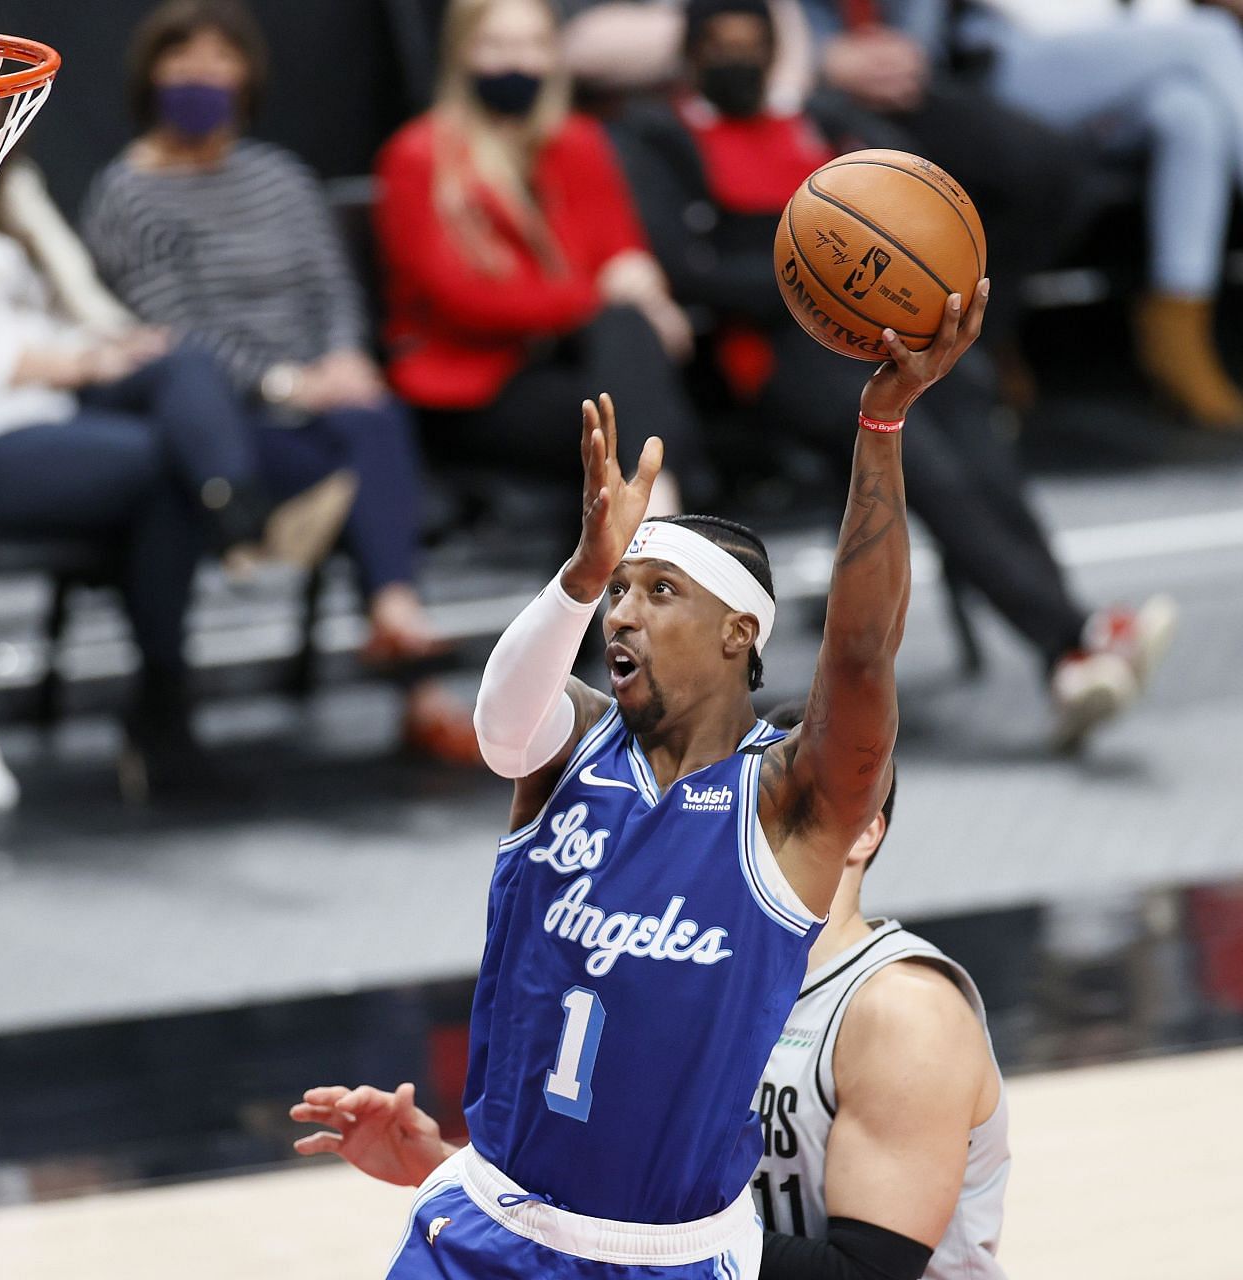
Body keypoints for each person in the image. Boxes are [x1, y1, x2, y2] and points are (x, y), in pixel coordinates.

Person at [293, 262, 989, 1279]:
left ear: (736, 632)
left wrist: (879, 432)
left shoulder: (787, 803)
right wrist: (578, 572)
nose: (620, 613)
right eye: (617, 590)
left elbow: (860, 654)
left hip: (665, 1257)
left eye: (657, 590)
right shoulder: (572, 742)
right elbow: (499, 724)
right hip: (483, 1226)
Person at [613, 0, 1176, 750]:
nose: (736, 59)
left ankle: (1071, 650)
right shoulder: (662, 136)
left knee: (978, 431)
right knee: (925, 461)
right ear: (690, 54)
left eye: (753, 44)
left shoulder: (822, 119)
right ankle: (1072, 637)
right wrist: (814, 288)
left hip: (880, 337)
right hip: (775, 357)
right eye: (719, 45)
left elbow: (916, 209)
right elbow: (690, 269)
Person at [291, 710, 1012, 1280]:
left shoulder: (901, 1012)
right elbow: (621, 1194)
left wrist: (632, 1247)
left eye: (793, 816)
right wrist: (459, 1170)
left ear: (863, 834)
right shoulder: (688, 979)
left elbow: (868, 1275)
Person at [81, 0, 477, 763]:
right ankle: (409, 658)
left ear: (248, 76)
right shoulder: (127, 194)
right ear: (149, 76)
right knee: (367, 437)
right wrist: (289, 383)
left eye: (219, 59)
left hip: (328, 404)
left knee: (372, 415)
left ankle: (398, 628)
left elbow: (332, 292)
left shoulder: (280, 177)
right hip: (222, 426)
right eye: (183, 60)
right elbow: (171, 333)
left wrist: (343, 360)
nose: (203, 76)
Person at [0, 160, 355, 795]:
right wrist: (84, 362)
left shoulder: (12, 185)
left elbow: (74, 296)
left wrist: (118, 345)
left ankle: (229, 506)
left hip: (60, 403)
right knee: (165, 461)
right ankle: (171, 694)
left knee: (185, 358)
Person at [375, 0, 710, 512]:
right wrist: (598, 295)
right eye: (499, 45)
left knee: (627, 348)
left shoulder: (576, 141)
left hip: (576, 362)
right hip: (475, 390)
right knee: (641, 385)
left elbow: (621, 249)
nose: (520, 62)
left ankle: (644, 518)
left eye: (534, 45)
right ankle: (654, 520)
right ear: (461, 52)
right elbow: (465, 299)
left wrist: (635, 283)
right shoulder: (419, 155)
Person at [791, 0, 1093, 409]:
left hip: (906, 81)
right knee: (906, 192)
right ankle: (898, 360)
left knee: (1050, 166)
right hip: (796, 87)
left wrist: (909, 50)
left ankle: (971, 337)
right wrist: (820, 56)